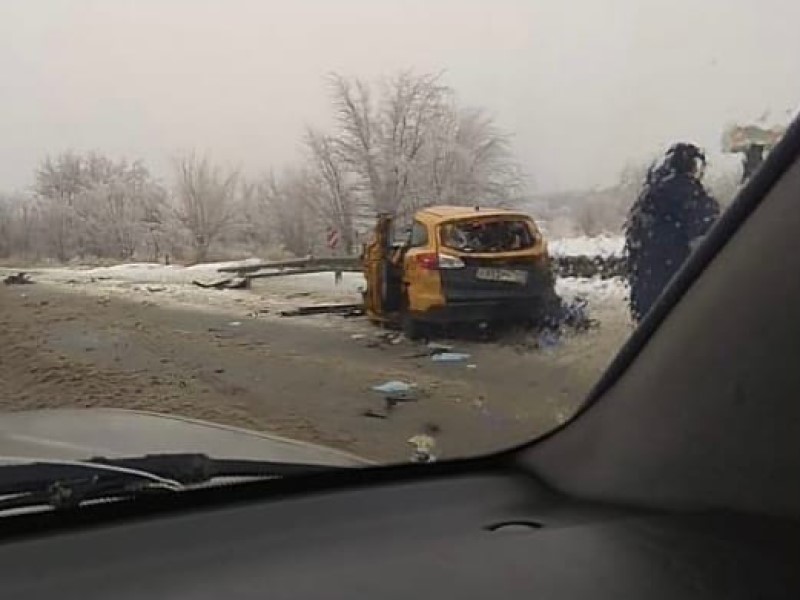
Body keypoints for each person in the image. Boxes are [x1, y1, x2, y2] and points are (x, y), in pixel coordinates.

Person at [624, 143, 720, 322]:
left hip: (645, 294)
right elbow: (708, 250)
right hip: (681, 296)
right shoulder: (696, 199)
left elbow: (633, 247)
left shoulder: (647, 201)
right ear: (694, 166)